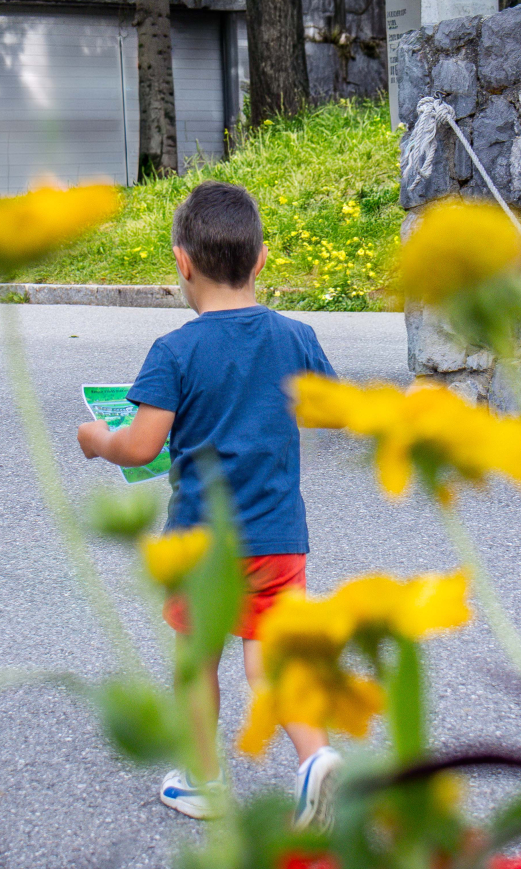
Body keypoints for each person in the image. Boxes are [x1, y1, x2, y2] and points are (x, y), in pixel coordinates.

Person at [76, 181, 342, 829]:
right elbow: (333, 410)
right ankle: (315, 759)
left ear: (182, 262)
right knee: (269, 657)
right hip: (279, 538)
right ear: (262, 260)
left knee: (197, 660)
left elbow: (141, 447)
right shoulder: (296, 336)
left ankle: (204, 780)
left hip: (200, 542)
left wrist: (97, 440)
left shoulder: (175, 352)